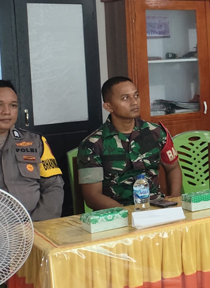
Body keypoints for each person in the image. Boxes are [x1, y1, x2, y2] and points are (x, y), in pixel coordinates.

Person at [78, 76, 182, 209]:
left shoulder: (156, 132)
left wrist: (174, 196)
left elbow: (173, 167)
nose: (134, 102)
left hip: (155, 207)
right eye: (125, 98)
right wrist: (126, 214)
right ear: (109, 106)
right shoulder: (92, 144)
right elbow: (92, 196)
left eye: (136, 95)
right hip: (116, 213)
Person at [0, 80, 63, 221]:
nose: (6, 112)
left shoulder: (36, 142)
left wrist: (37, 224)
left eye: (13, 105)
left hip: (37, 225)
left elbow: (53, 185)